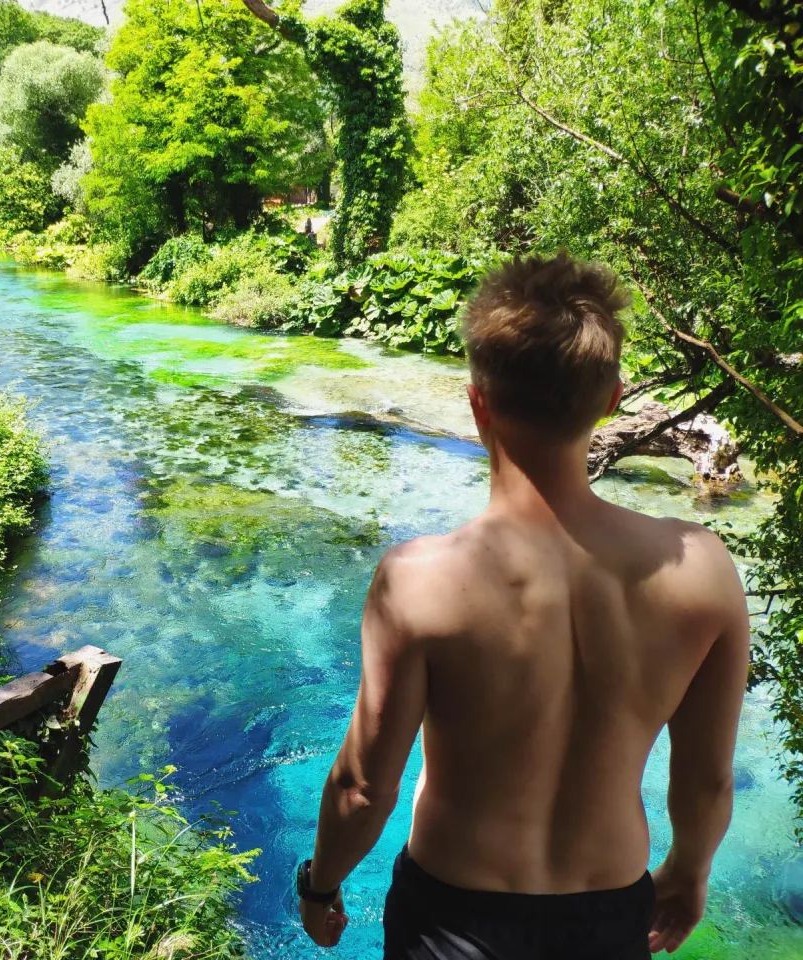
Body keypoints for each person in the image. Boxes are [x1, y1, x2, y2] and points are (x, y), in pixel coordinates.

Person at [295, 252, 750, 958]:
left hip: (451, 921)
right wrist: (690, 872)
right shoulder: (703, 571)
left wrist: (320, 885)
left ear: (477, 401)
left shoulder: (419, 580)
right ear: (611, 399)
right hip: (608, 915)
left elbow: (362, 788)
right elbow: (706, 778)